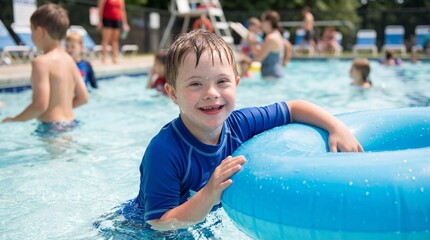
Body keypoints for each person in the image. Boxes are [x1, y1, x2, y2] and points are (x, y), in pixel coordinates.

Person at [133, 30, 363, 231]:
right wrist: (208, 195)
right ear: (173, 94)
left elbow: (294, 108)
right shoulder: (164, 151)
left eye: (222, 82)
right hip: (137, 230)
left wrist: (336, 127)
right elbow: (160, 224)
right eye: (195, 84)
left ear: (237, 83)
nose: (211, 93)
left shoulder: (240, 124)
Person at [2, 3, 88, 128]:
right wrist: (61, 107)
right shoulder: (69, 60)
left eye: (32, 31)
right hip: (72, 123)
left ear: (40, 32)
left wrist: (15, 119)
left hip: (52, 128)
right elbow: (83, 98)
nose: (31, 36)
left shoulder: (41, 62)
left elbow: (40, 105)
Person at [246, 11, 285, 79]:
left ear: (269, 22)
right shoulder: (277, 34)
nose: (261, 24)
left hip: (271, 75)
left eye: (263, 21)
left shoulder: (271, 38)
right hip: (275, 73)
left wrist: (251, 43)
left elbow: (258, 59)